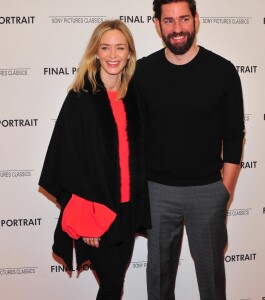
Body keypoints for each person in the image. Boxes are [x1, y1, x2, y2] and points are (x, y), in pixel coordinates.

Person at [134, 1, 245, 299]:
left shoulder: (222, 71)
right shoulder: (142, 72)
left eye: (183, 19)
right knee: (158, 282)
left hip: (208, 190)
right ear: (157, 25)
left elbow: (234, 136)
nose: (177, 29)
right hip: (157, 192)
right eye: (168, 21)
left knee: (211, 283)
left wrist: (225, 190)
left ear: (196, 19)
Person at [39, 19, 150, 300]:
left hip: (127, 210)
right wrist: (88, 215)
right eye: (106, 48)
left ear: (129, 54)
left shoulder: (134, 97)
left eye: (120, 48)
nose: (113, 55)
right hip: (98, 211)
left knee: (115, 284)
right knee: (112, 285)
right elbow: (68, 160)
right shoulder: (81, 99)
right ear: (96, 53)